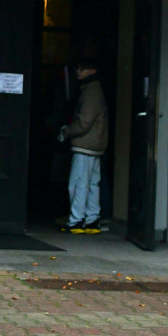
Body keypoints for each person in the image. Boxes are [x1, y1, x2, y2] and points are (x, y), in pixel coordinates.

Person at [58, 59, 109, 234]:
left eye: (81, 68)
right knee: (93, 184)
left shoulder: (90, 92)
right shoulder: (95, 89)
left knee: (78, 183)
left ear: (91, 70)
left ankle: (76, 220)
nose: (78, 72)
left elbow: (84, 122)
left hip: (85, 145)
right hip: (95, 144)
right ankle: (92, 220)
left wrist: (66, 132)